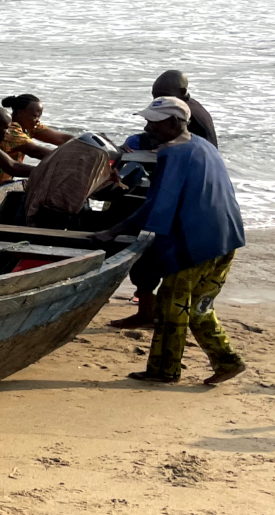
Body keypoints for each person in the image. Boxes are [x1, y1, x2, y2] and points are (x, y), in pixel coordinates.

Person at [93, 97, 245, 385]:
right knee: (199, 306)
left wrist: (112, 231)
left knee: (172, 306)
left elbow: (158, 206)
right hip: (227, 238)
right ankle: (227, 361)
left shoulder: (173, 153)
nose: (148, 127)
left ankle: (165, 371)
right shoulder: (204, 146)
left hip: (198, 244)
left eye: (154, 122)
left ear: (173, 123)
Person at [110, 72, 220, 327]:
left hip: (186, 201)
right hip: (191, 198)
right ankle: (150, 308)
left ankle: (150, 311)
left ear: (181, 95)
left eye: (162, 97)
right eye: (154, 97)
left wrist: (116, 229)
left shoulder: (189, 128)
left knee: (150, 248)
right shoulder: (182, 116)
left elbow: (164, 192)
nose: (156, 101)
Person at [0, 94, 73, 184]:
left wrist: (83, 145)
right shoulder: (9, 130)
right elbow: (36, 151)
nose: (38, 120)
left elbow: (61, 139)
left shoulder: (29, 126)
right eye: (35, 116)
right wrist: (70, 161)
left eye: (39, 116)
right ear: (20, 113)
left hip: (4, 182)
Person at [151, 69, 217, 147]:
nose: (159, 100)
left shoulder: (184, 114)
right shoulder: (190, 105)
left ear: (182, 91)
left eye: (165, 95)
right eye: (155, 95)